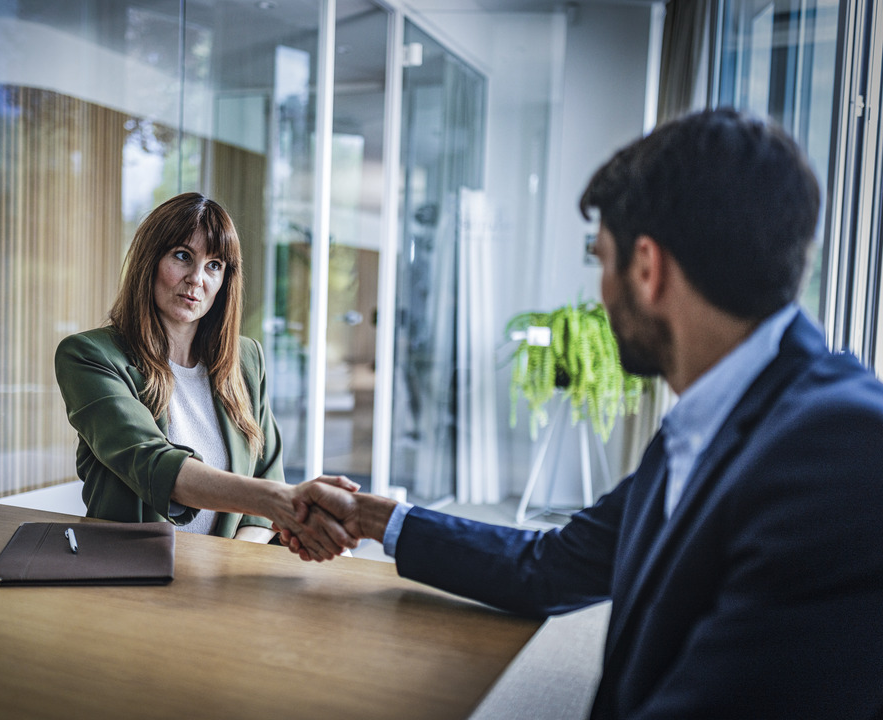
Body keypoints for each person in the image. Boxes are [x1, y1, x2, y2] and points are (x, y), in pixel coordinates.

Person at [282, 109, 883, 717]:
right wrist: (373, 517)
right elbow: (547, 569)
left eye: (600, 258)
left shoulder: (845, 453)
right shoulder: (715, 420)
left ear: (646, 269)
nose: (601, 293)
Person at [55, 192, 356, 561]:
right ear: (150, 261)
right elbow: (155, 465)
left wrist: (232, 560)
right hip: (133, 566)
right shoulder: (89, 354)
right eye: (182, 256)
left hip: (227, 564)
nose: (196, 279)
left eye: (214, 265)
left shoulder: (246, 358)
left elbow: (267, 472)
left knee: (341, 563)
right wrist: (283, 501)